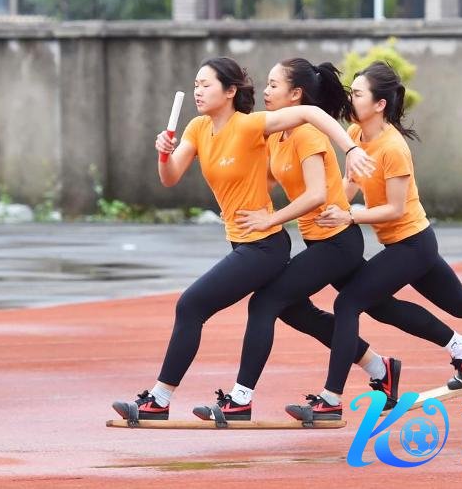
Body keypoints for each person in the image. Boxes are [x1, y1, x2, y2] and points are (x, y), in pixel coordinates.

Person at [193, 58, 462, 422]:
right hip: (320, 240)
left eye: (274, 85)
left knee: (268, 302)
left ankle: (250, 398)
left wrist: (273, 219)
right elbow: (265, 180)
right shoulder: (277, 136)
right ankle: (431, 354)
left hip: (338, 243)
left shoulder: (308, 135)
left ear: (295, 94)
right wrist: (233, 195)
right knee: (371, 307)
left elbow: (315, 196)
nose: (265, 91)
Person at [286, 61, 462, 421]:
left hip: (413, 244)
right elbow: (351, 185)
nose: (350, 100)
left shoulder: (393, 148)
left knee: (349, 303)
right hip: (404, 245)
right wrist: (330, 206)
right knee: (461, 303)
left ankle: (331, 397)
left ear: (379, 104)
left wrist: (350, 216)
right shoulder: (357, 135)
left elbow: (394, 209)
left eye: (357, 94)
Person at [111, 56, 376, 422]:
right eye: (195, 85)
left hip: (264, 246)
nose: (198, 91)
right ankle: (377, 365)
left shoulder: (251, 125)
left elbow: (311, 114)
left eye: (206, 85)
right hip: (244, 243)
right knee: (296, 312)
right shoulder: (197, 129)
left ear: (230, 91)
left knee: (192, 306)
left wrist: (352, 148)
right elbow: (169, 177)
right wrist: (163, 153)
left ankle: (164, 399)